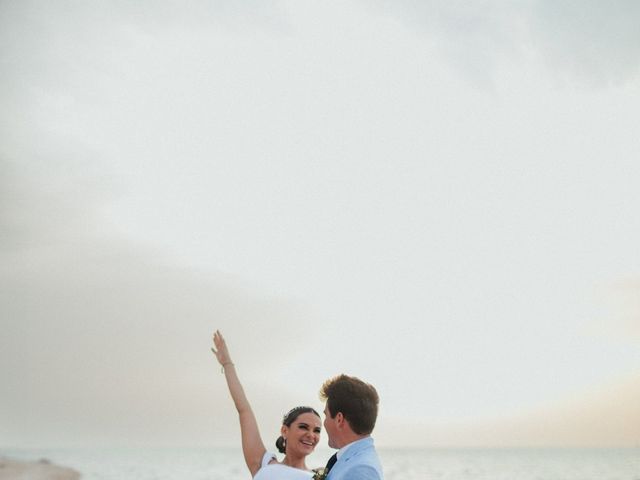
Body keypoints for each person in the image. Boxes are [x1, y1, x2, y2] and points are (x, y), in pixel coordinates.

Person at [211, 330, 323, 480]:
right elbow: (244, 410)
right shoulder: (263, 463)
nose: (311, 435)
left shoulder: (321, 476)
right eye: (303, 427)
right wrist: (227, 363)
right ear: (284, 430)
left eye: (317, 430)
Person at [319, 374, 384, 480]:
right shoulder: (352, 460)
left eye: (326, 415)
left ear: (339, 419)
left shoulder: (361, 470)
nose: (324, 423)